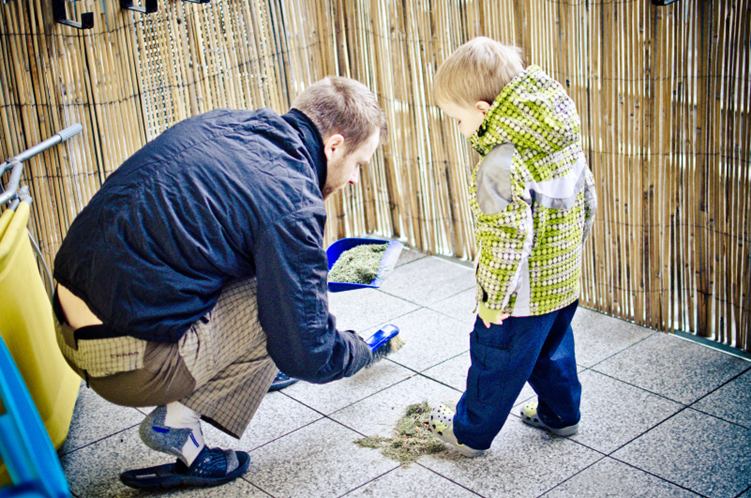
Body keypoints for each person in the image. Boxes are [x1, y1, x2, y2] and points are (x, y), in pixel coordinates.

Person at [52, 77, 386, 489]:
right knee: (282, 310)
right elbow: (309, 353)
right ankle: (178, 428)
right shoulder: (294, 199)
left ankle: (252, 369)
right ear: (333, 145)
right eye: (359, 164)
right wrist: (357, 351)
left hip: (66, 323)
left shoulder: (226, 124)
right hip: (124, 366)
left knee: (271, 278)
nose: (354, 179)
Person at [427, 37, 597, 456]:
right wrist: (569, 256)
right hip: (563, 283)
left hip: (518, 299)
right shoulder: (560, 139)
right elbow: (588, 199)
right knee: (553, 351)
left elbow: (504, 243)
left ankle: (469, 434)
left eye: (458, 118)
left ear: (483, 110)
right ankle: (562, 416)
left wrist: (492, 301)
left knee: (495, 362)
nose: (459, 128)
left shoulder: (499, 165)